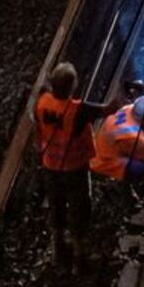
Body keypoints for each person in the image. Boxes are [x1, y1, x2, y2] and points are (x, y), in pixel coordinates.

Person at [31, 62, 111, 268]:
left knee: (56, 206)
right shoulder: (78, 110)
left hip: (50, 165)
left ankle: (58, 251)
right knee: (79, 208)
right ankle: (79, 256)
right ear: (72, 86)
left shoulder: (42, 101)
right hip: (73, 168)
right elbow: (107, 109)